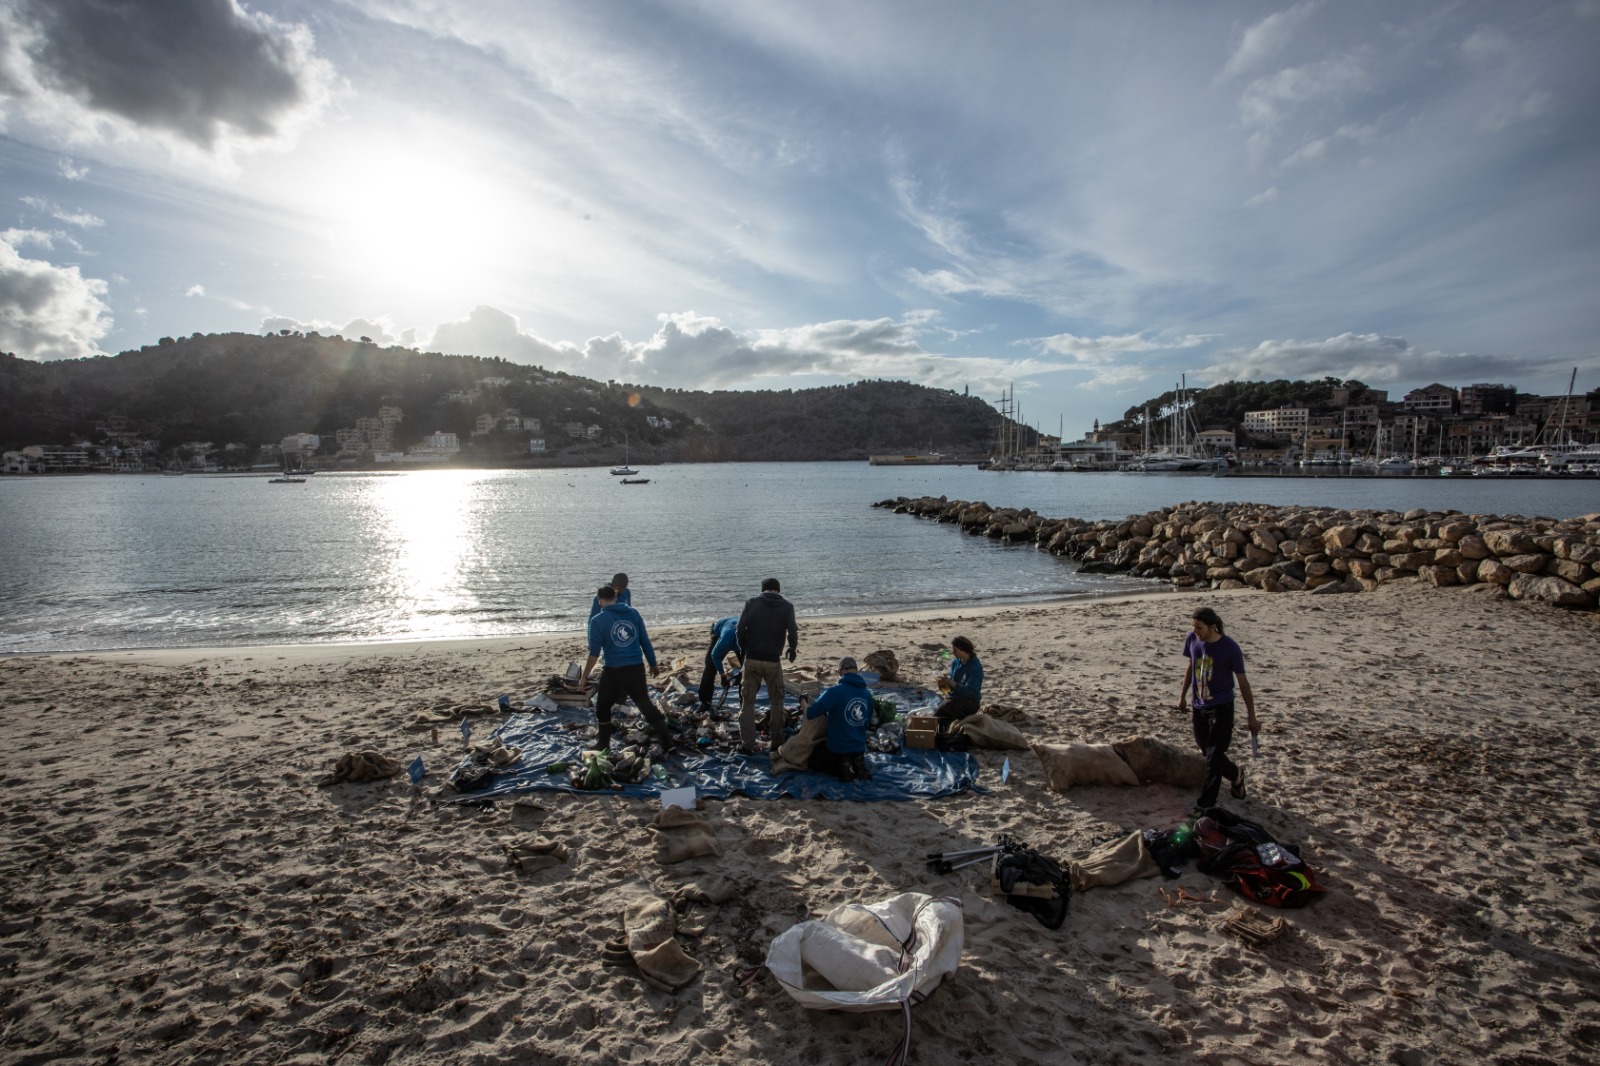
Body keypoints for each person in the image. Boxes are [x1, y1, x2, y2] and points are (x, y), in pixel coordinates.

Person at [1178, 606, 1258, 813]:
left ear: (1213, 627)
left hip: (1222, 707)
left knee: (1214, 758)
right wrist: (1182, 695)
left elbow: (1243, 683)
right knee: (1206, 750)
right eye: (1193, 627)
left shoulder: (1230, 648)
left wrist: (1252, 716)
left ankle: (1205, 805)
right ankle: (1235, 775)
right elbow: (1191, 666)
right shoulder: (1192, 639)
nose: (1195, 631)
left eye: (1200, 628)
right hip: (1199, 705)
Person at [580, 584, 675, 752]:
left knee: (603, 706)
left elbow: (594, 653)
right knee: (645, 705)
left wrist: (584, 676)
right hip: (636, 669)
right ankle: (668, 743)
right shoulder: (633, 613)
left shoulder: (597, 620)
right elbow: (644, 641)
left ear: (599, 601)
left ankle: (604, 743)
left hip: (613, 671)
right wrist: (653, 664)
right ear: (615, 597)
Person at [735, 577, 798, 754]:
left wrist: (742, 648)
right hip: (773, 661)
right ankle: (776, 743)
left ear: (763, 589)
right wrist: (792, 648)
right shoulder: (787, 606)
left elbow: (740, 628)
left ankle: (747, 744)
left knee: (748, 703)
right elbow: (792, 631)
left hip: (752, 659)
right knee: (777, 702)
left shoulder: (751, 603)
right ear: (778, 590)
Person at [804, 657, 873, 782]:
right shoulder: (867, 694)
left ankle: (843, 765)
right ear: (856, 671)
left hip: (838, 747)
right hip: (859, 746)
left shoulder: (835, 692)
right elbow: (867, 722)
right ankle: (856, 763)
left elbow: (811, 713)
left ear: (840, 671)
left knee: (813, 756)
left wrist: (802, 701)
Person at [934, 635, 983, 729]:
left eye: (955, 650)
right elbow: (951, 688)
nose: (953, 652)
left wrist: (951, 682)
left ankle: (966, 722)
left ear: (963, 650)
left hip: (970, 701)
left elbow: (969, 691)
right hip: (955, 698)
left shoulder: (975, 667)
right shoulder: (955, 663)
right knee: (937, 715)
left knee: (947, 705)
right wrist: (943, 684)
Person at [697, 616, 741, 711]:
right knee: (710, 667)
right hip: (719, 631)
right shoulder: (725, 641)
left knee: (747, 671)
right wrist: (723, 676)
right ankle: (705, 702)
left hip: (737, 629)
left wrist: (741, 673)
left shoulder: (750, 638)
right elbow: (715, 656)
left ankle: (744, 704)